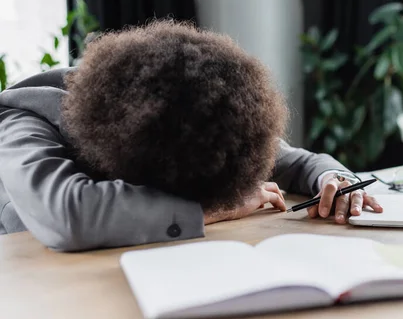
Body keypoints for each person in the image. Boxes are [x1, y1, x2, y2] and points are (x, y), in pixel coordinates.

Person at [0, 20, 382, 252]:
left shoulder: (198, 110)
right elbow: (69, 215)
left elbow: (292, 160)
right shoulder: (24, 115)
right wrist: (212, 209)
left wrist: (336, 179)